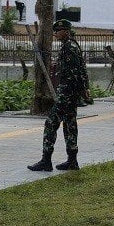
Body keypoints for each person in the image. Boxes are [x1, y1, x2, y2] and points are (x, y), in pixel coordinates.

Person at [28, 19, 89, 172]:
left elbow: (75, 72)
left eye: (58, 30)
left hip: (67, 92)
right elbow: (82, 69)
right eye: (54, 30)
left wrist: (75, 92)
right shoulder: (72, 45)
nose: (55, 33)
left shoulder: (69, 47)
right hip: (71, 93)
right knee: (69, 124)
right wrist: (84, 89)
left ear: (66, 32)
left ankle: (46, 160)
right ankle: (72, 160)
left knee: (51, 122)